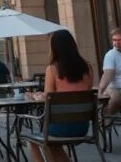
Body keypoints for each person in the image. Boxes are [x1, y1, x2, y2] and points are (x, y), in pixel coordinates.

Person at [23, 30, 93, 162]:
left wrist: (37, 96)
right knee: (52, 145)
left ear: (54, 48)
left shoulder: (52, 69)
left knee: (36, 141)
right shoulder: (88, 67)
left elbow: (48, 97)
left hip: (60, 126)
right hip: (82, 125)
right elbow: (86, 91)